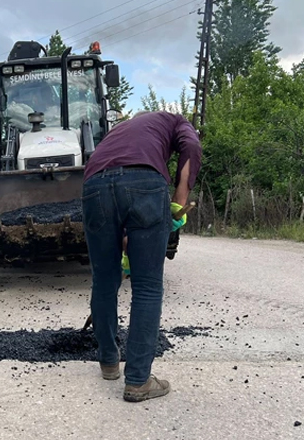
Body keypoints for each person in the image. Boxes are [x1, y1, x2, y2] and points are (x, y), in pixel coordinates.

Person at [81, 110, 202, 402]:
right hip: (145, 184)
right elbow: (192, 147)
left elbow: (117, 185)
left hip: (95, 186)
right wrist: (178, 203)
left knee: (104, 280)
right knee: (147, 286)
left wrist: (128, 236)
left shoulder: (122, 129)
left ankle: (109, 362)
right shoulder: (176, 121)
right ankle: (138, 380)